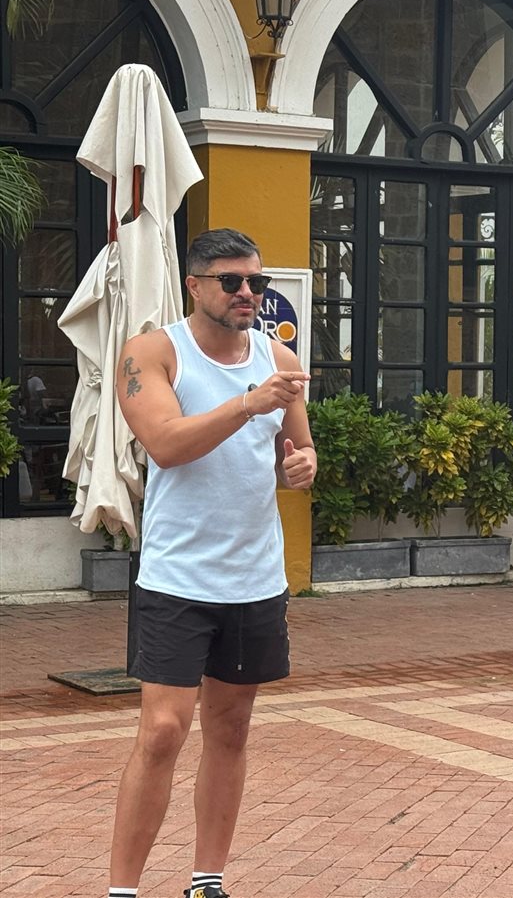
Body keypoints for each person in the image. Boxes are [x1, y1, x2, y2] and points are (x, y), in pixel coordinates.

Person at [108, 228, 317, 898]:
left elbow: (297, 455)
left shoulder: (277, 356)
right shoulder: (151, 352)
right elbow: (166, 444)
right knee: (164, 730)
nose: (248, 293)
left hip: (254, 578)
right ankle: (122, 889)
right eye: (231, 281)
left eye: (255, 281)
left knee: (230, 727)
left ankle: (207, 879)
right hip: (176, 578)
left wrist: (301, 465)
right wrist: (246, 403)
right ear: (195, 285)